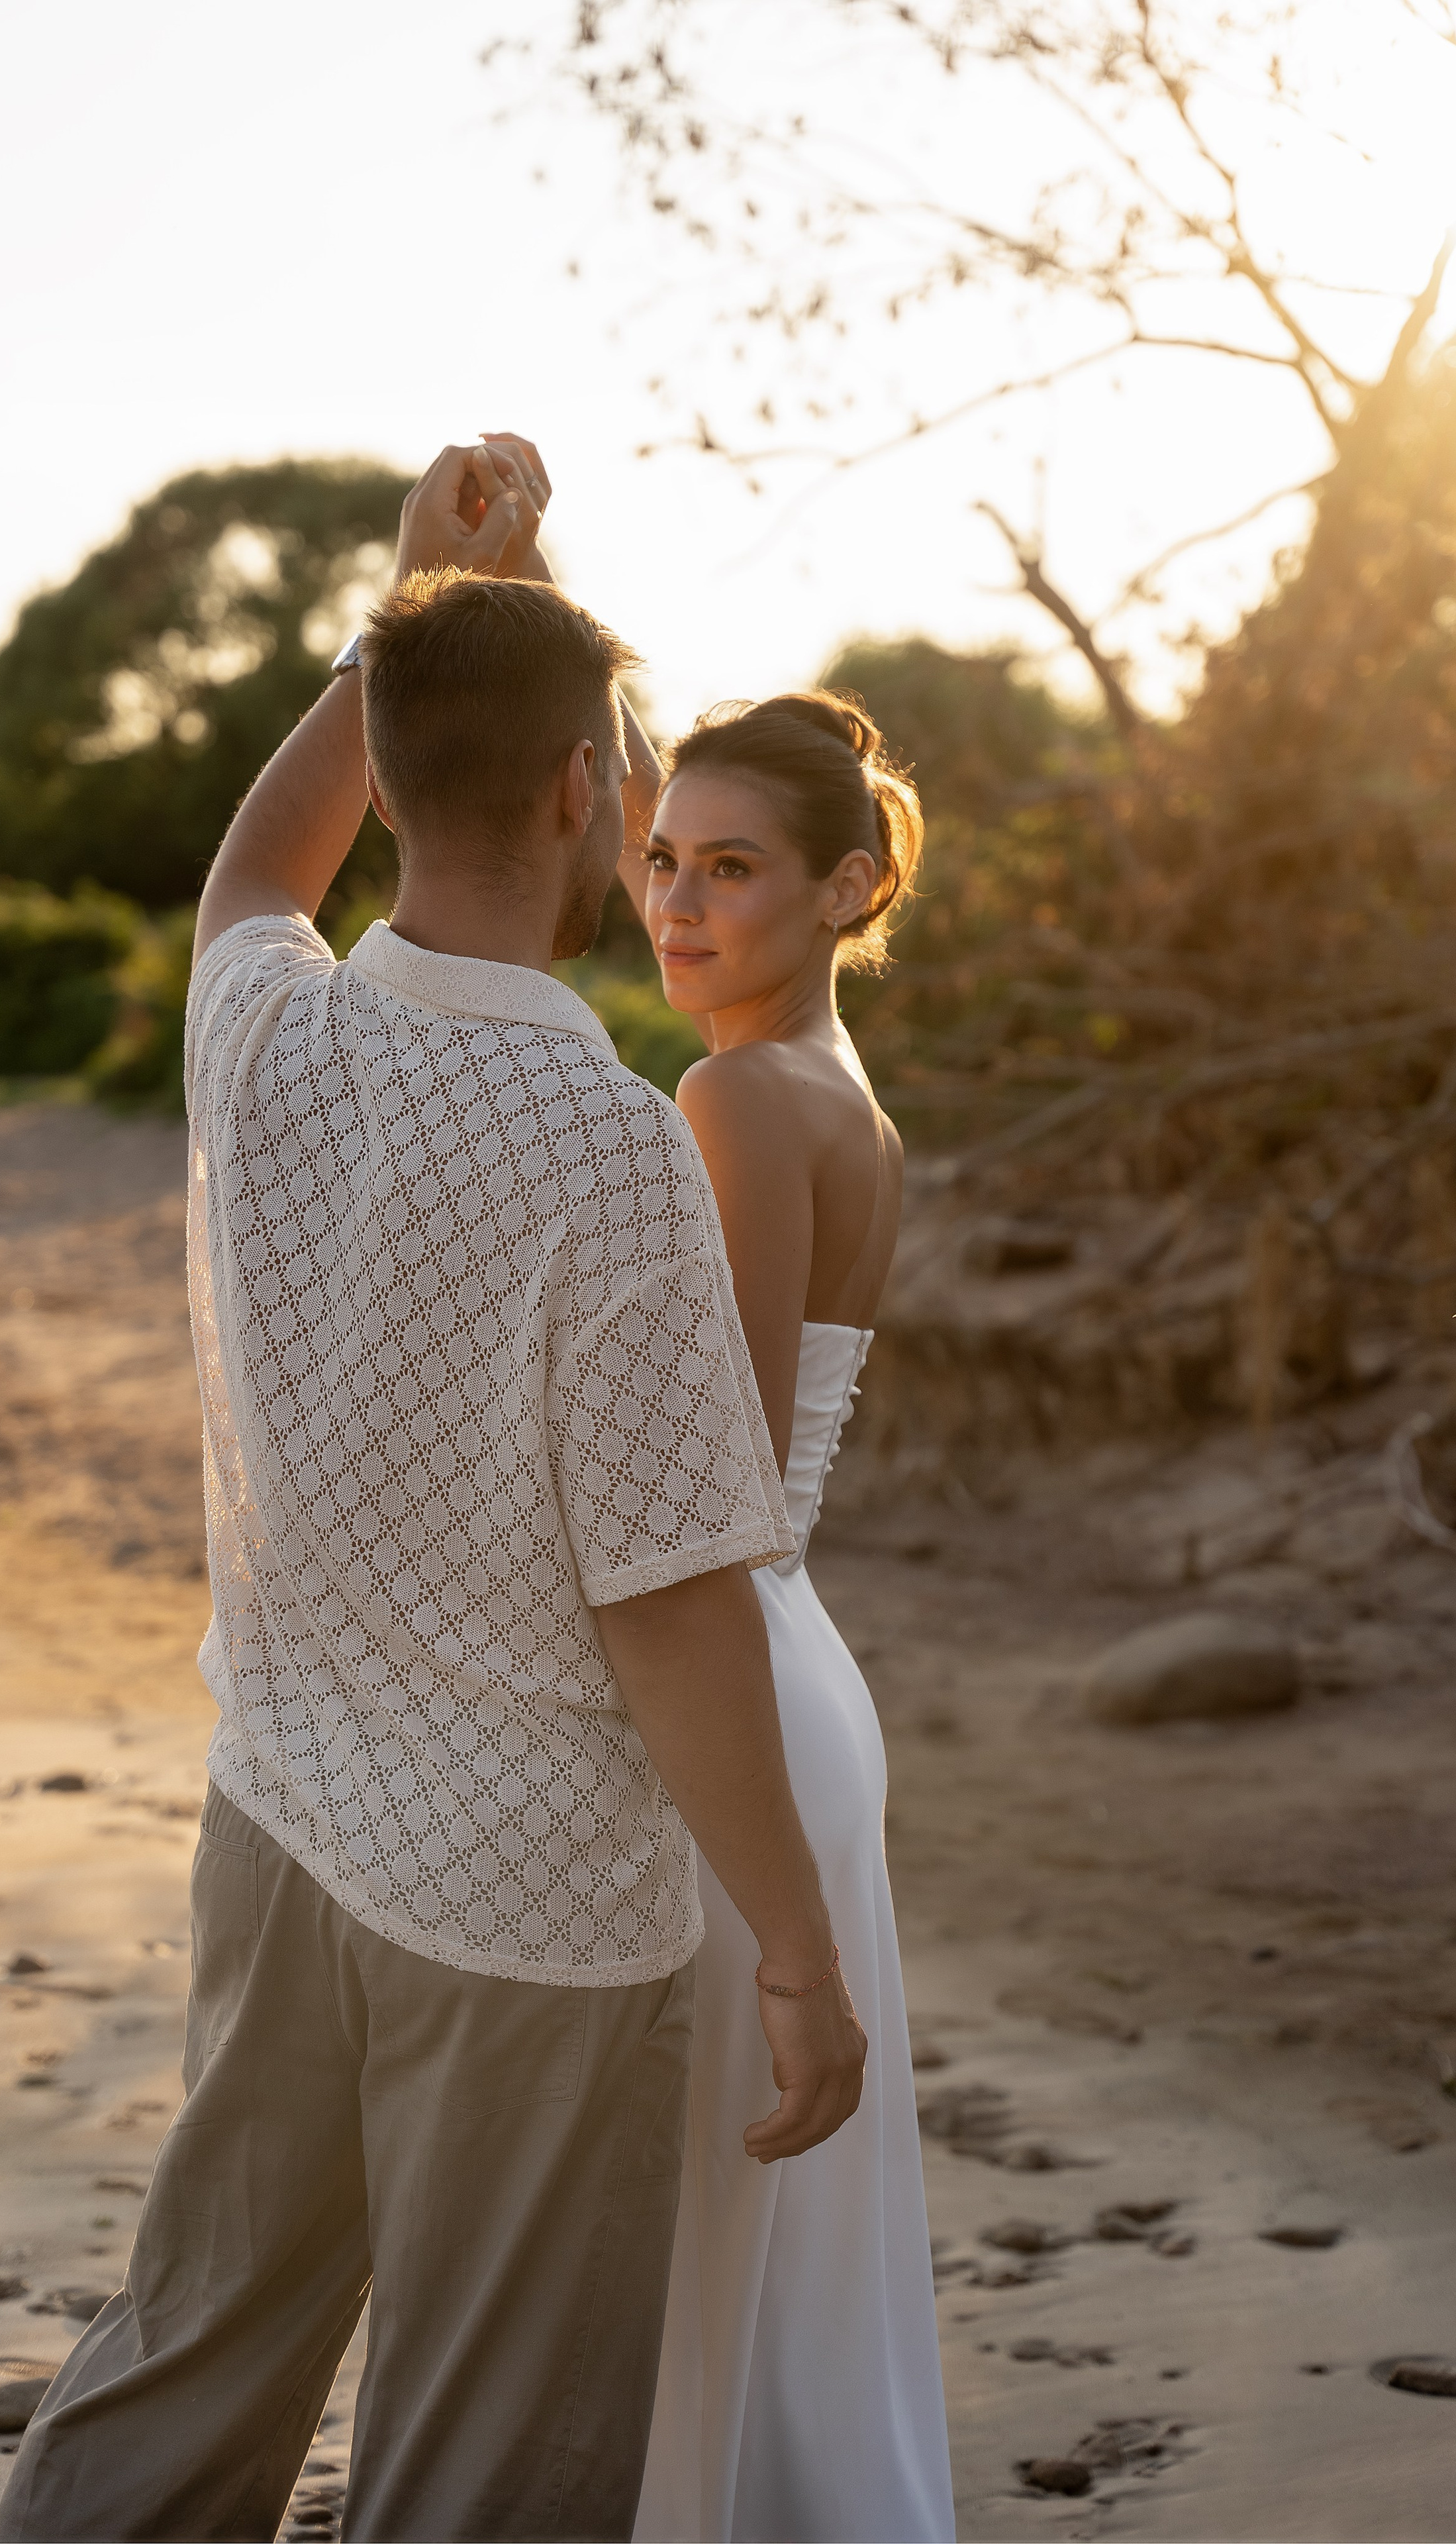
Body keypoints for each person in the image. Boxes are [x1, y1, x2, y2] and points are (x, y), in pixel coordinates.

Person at [0, 438, 865, 2544]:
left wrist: (401, 608)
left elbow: (253, 874)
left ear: (384, 781)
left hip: (278, 1819)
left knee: (195, 2340)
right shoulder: (620, 1148)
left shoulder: (257, 1026)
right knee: (488, 2464)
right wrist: (797, 1940)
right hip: (533, 1908)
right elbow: (669, 1602)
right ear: (588, 792)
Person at [614, 691, 957, 2541]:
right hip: (803, 1671)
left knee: (711, 2220)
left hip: (730, 1677)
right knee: (785, 2254)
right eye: (662, 859)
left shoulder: (735, 1093)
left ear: (852, 884)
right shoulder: (852, 1103)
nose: (677, 902)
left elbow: (712, 1468)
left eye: (731, 868)